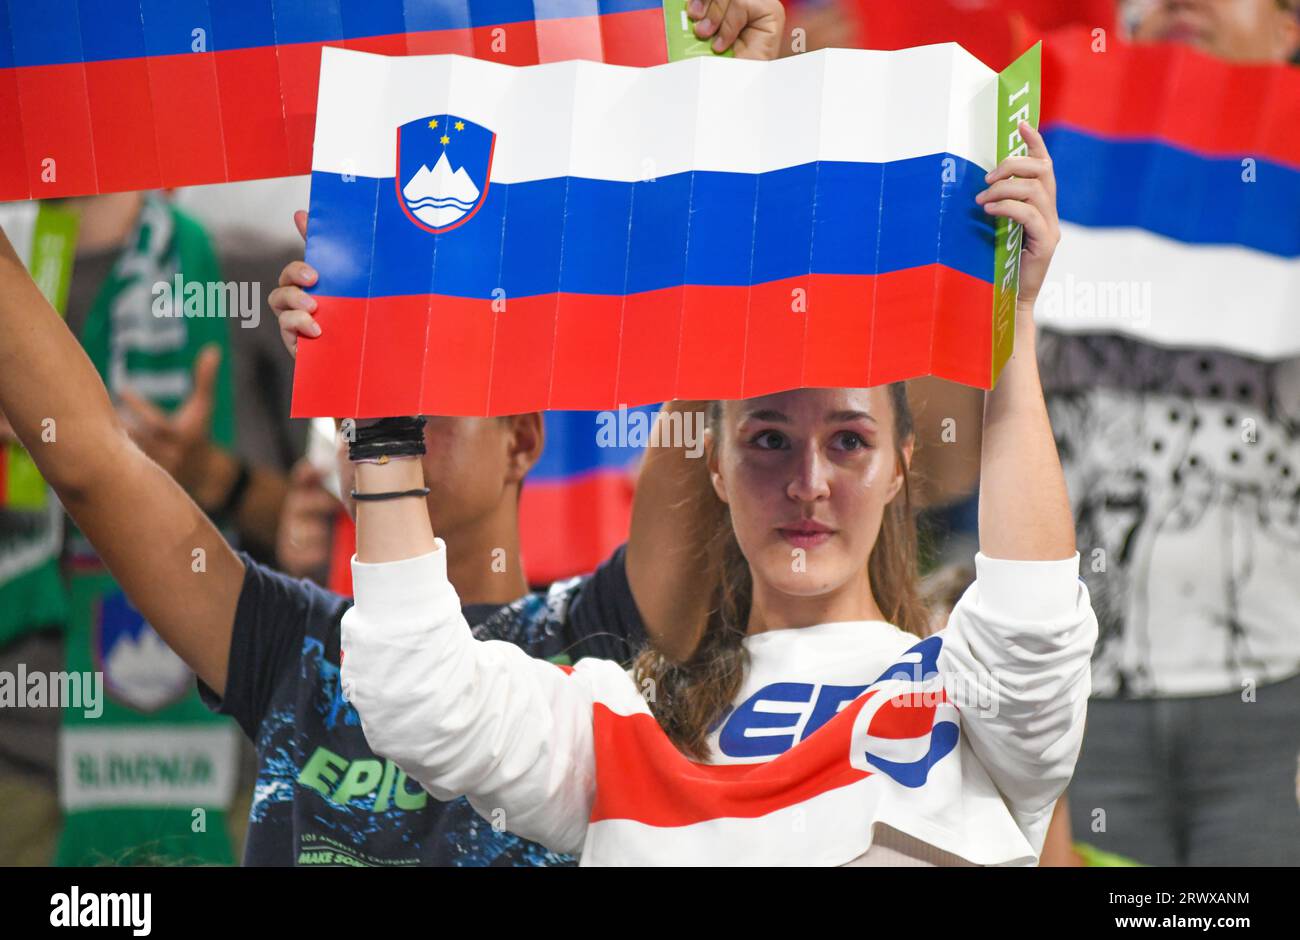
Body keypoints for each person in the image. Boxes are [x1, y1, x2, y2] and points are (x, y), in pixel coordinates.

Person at [0, 0, 785, 867]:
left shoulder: (596, 637)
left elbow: (705, 378)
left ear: (523, 441)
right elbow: (90, 460)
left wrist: (738, 104)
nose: (390, 428)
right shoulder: (290, 644)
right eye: (369, 407)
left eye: (424, 398)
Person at [337, 124, 1100, 865]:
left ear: (901, 466)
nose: (809, 484)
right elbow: (419, 696)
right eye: (768, 440)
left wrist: (1013, 323)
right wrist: (379, 411)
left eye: (849, 442)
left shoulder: (971, 698)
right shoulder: (625, 718)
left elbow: (1031, 620)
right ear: (714, 469)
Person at [1041, 0, 1300, 865]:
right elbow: (937, 461)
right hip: (1075, 703)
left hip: (1279, 701)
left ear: (1289, 24)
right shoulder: (1043, 157)